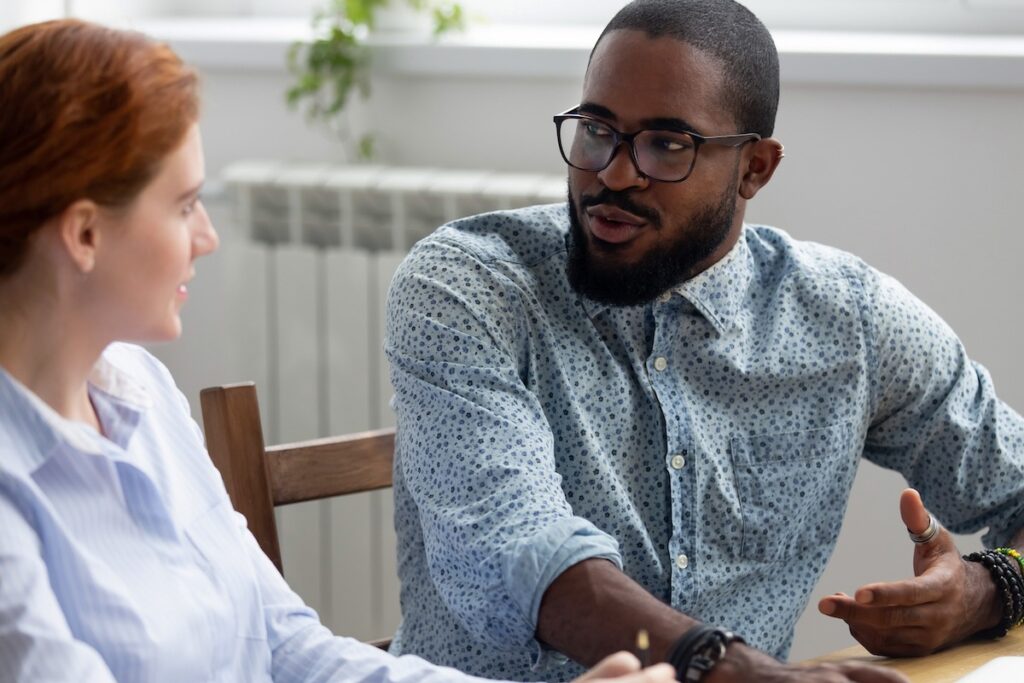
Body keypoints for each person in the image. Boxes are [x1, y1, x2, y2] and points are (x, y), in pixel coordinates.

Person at [0, 18, 677, 683]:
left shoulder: (139, 394)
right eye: (183, 206)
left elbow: (284, 644)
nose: (206, 236)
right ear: (85, 234)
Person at [383, 0, 1024, 681]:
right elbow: (517, 550)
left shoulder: (849, 321)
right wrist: (731, 669)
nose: (614, 174)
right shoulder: (468, 284)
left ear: (755, 169)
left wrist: (989, 590)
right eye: (597, 129)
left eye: (667, 144)